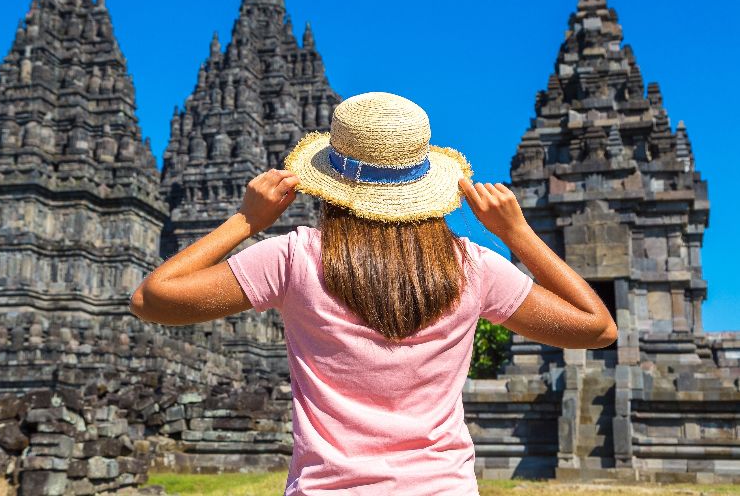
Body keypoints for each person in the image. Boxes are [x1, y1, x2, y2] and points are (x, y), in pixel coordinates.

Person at [130, 92, 617, 495]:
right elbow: (597, 327)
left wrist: (246, 221)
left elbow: (152, 298)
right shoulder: (474, 267)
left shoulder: (294, 258)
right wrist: (518, 235)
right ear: (425, 181)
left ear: (332, 184)